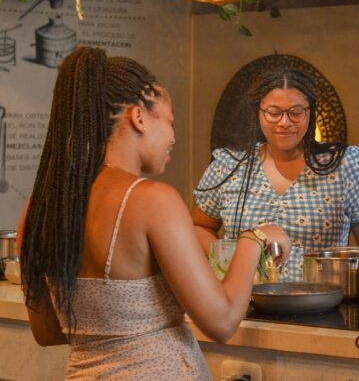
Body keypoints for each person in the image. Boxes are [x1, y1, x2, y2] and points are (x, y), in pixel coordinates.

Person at [17, 47, 291, 379]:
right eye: (170, 121)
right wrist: (254, 239)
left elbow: (47, 331)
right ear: (139, 117)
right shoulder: (152, 200)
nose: (174, 137)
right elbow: (221, 322)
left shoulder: (39, 207)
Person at [192, 68, 359, 281]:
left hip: (320, 303)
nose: (285, 122)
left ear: (310, 112)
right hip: (243, 303)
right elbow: (199, 226)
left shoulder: (343, 165)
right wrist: (233, 261)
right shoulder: (229, 165)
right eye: (274, 112)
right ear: (258, 112)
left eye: (296, 112)